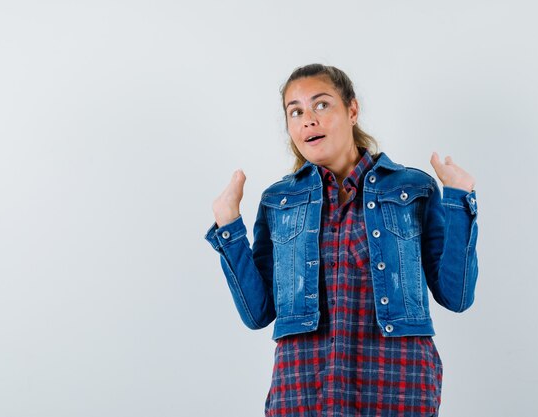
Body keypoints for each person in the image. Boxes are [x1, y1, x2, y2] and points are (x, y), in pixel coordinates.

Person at [204, 64, 479, 417]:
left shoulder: (413, 188)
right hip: (304, 389)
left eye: (321, 105)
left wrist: (459, 198)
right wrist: (228, 224)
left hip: (397, 386)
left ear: (352, 110)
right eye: (296, 111)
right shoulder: (278, 201)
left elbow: (456, 296)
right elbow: (258, 313)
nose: (308, 120)